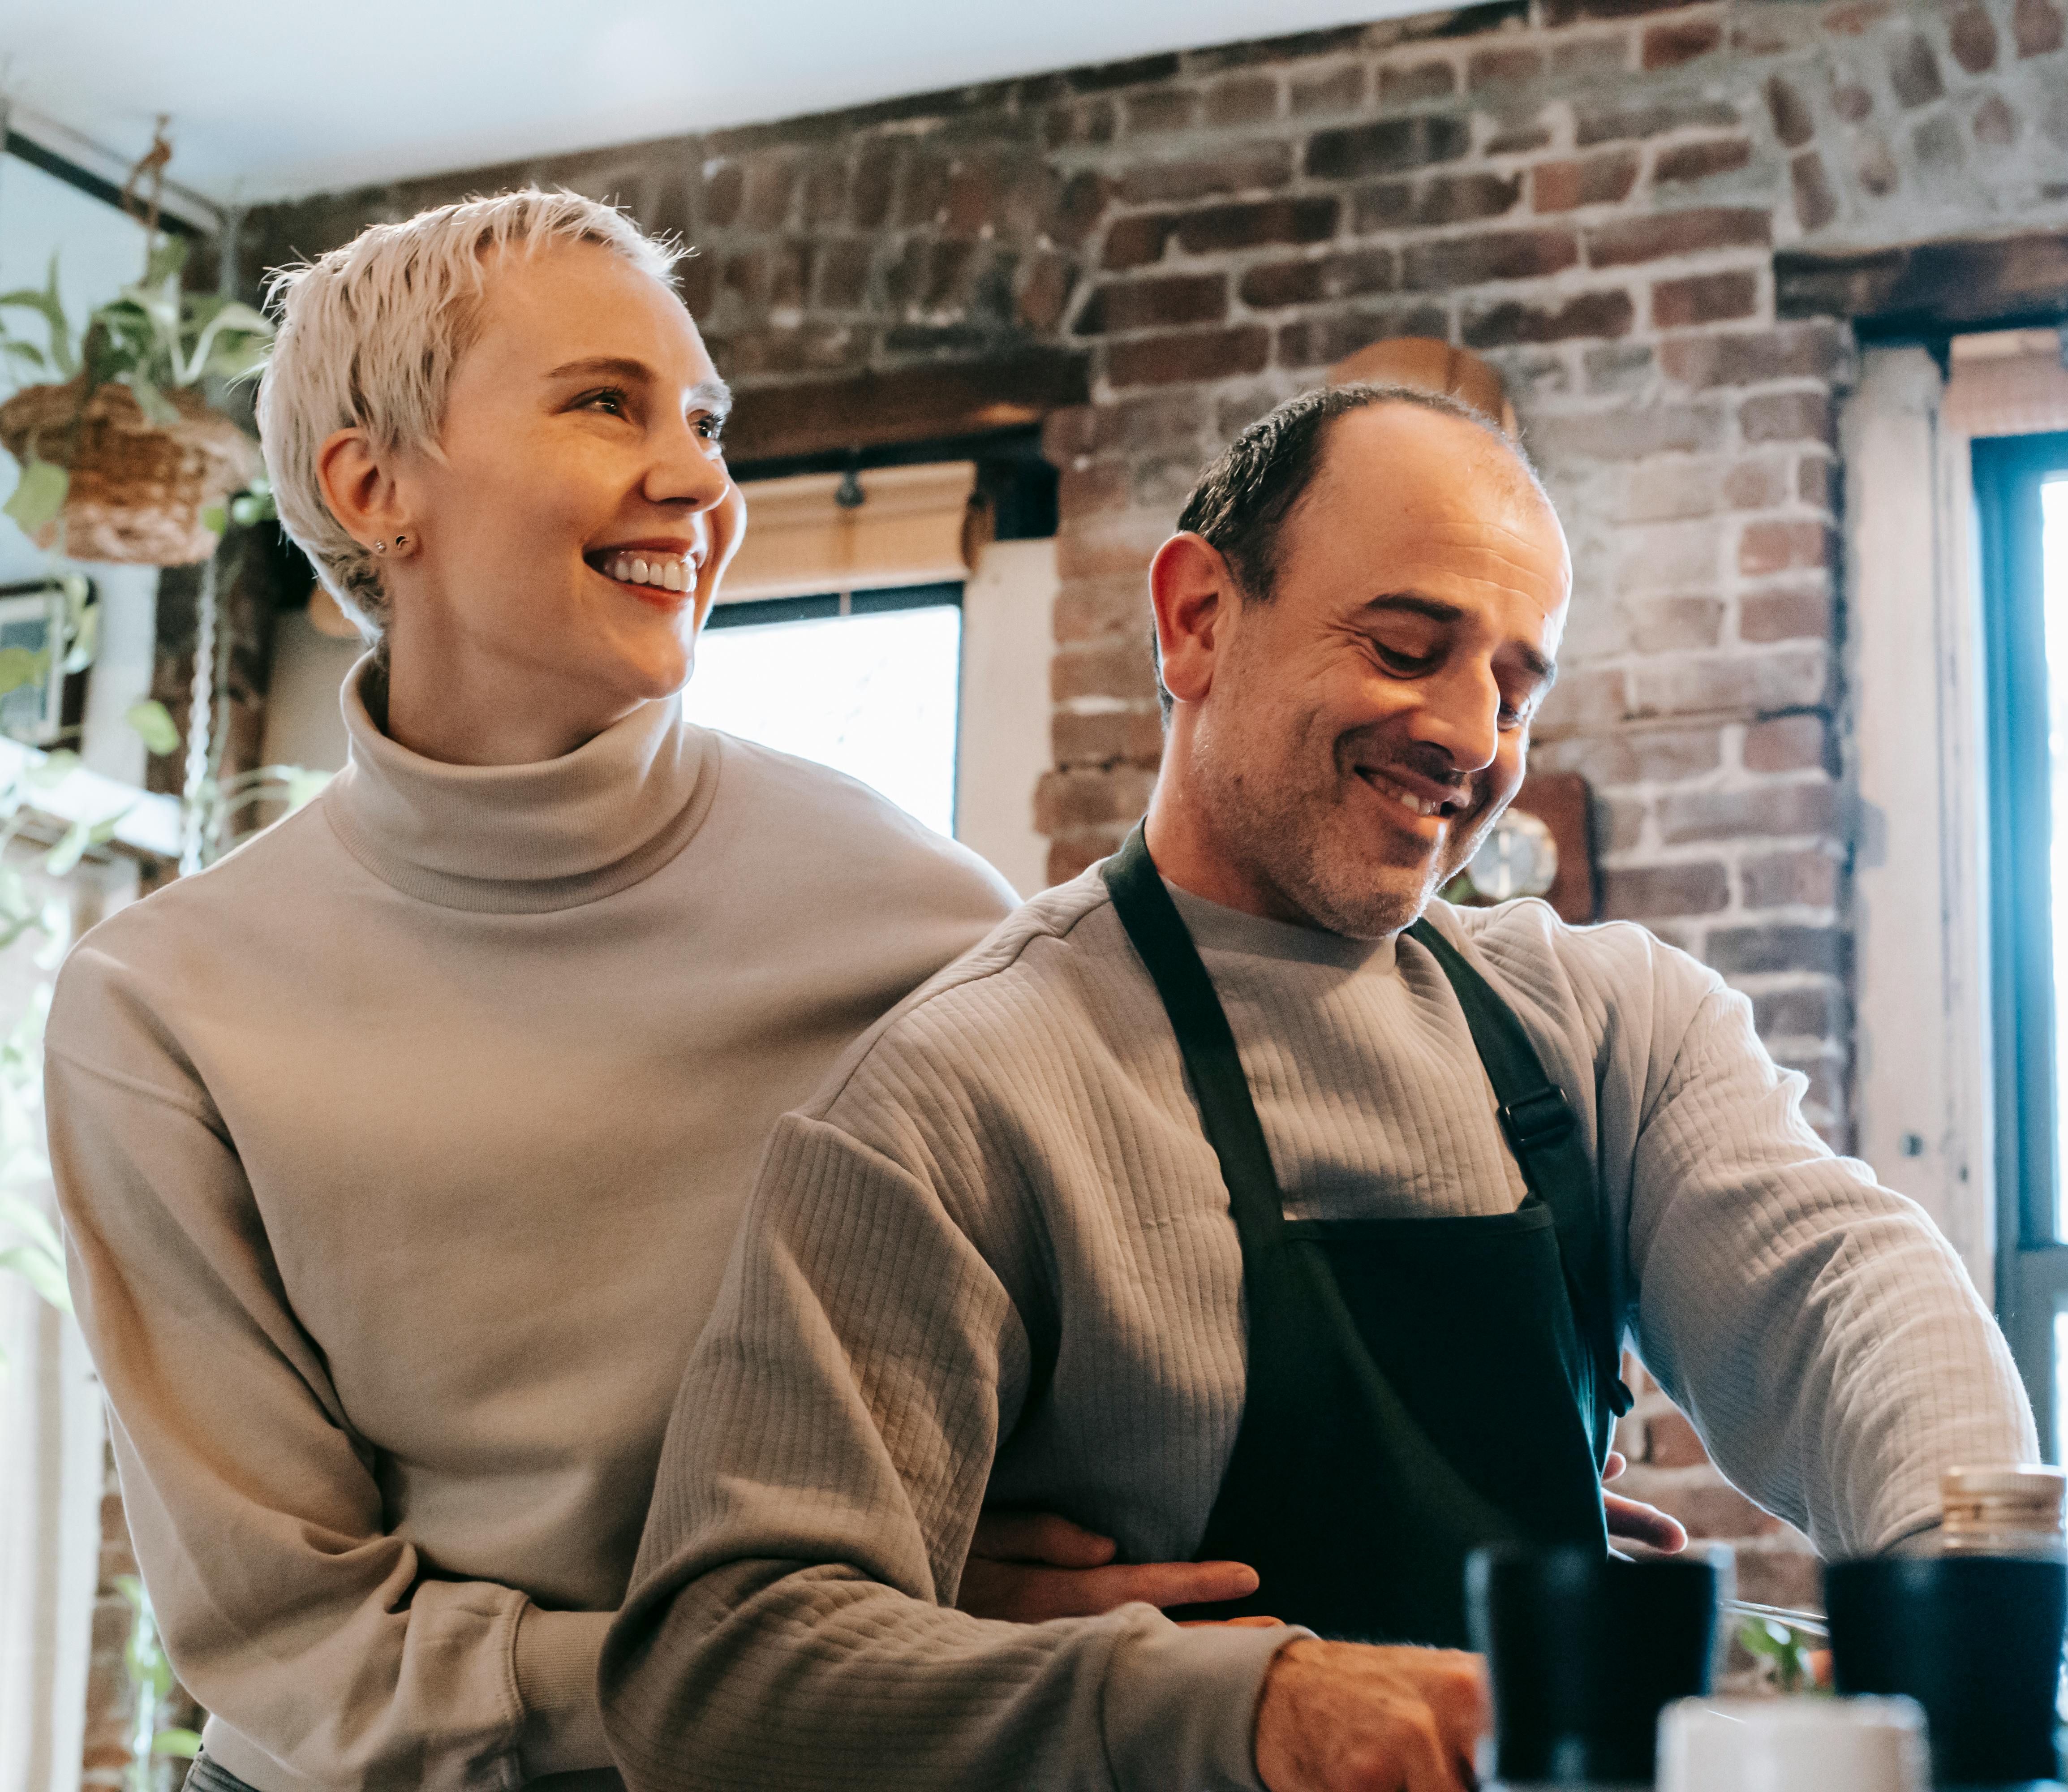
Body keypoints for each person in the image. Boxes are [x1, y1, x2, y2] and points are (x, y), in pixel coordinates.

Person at [601, 385, 2037, 1792]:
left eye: (1517, 690)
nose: (1473, 739)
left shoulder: (1609, 1028)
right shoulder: (959, 1093)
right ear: (1199, 620)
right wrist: (1251, 1708)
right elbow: (721, 1671)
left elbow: (1845, 1294)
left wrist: (1968, 1591)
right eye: (1411, 647)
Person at [40, 189, 1264, 1792]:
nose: (698, 479)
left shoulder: (919, 914)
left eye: (704, 418)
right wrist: (803, 1659)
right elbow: (303, 1654)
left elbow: (1130, 1363)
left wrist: (1463, 1470)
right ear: (373, 485)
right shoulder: (157, 1009)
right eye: (605, 403)